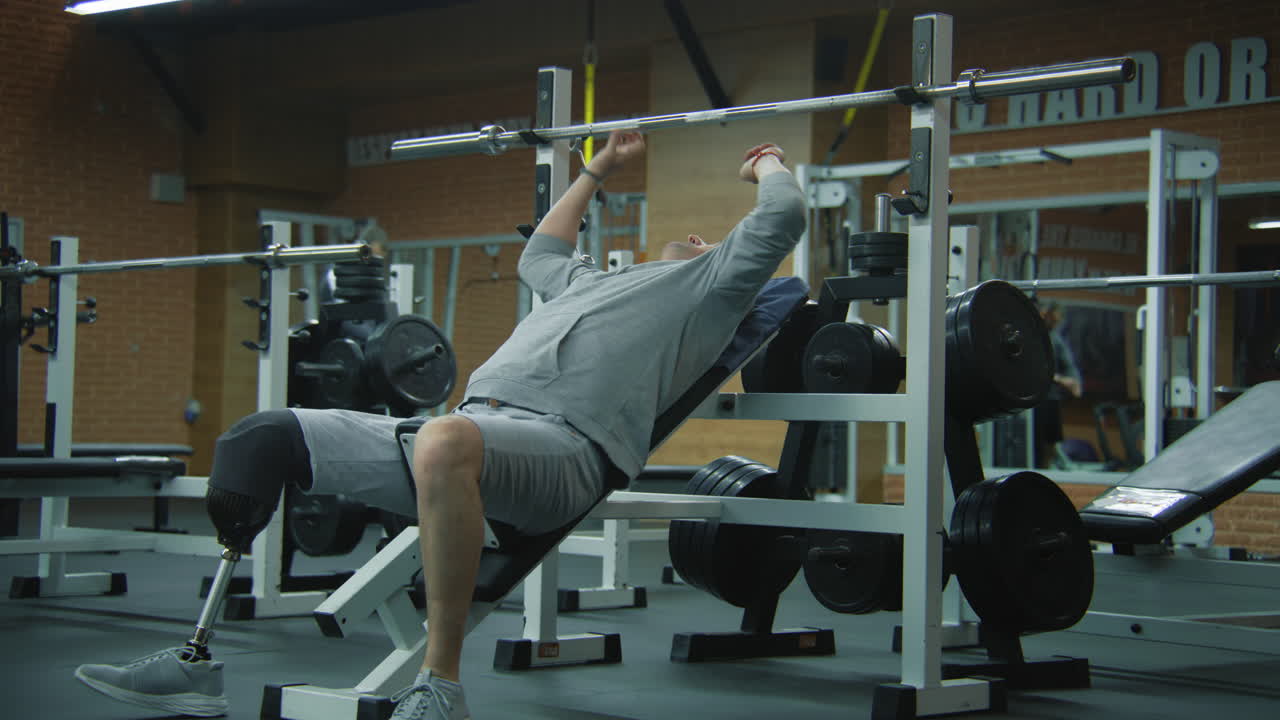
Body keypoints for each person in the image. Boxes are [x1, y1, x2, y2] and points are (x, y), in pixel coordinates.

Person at [73, 130, 806, 719]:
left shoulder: (708, 292)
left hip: (566, 452)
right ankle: (194, 663)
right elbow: (541, 253)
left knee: (447, 439)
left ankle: (441, 685)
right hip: (464, 428)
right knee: (261, 435)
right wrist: (597, 170)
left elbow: (782, 217)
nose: (690, 234)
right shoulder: (589, 281)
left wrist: (767, 162)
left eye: (703, 238)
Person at [1034, 298, 1084, 468]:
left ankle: (1050, 469)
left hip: (1051, 398)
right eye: (1053, 318)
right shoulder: (1034, 335)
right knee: (1038, 443)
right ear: (1045, 315)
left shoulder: (1055, 338)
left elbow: (1069, 365)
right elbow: (1034, 367)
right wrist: (1062, 380)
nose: (1056, 322)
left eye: (1058, 319)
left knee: (1051, 442)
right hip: (1036, 399)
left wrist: (1075, 382)